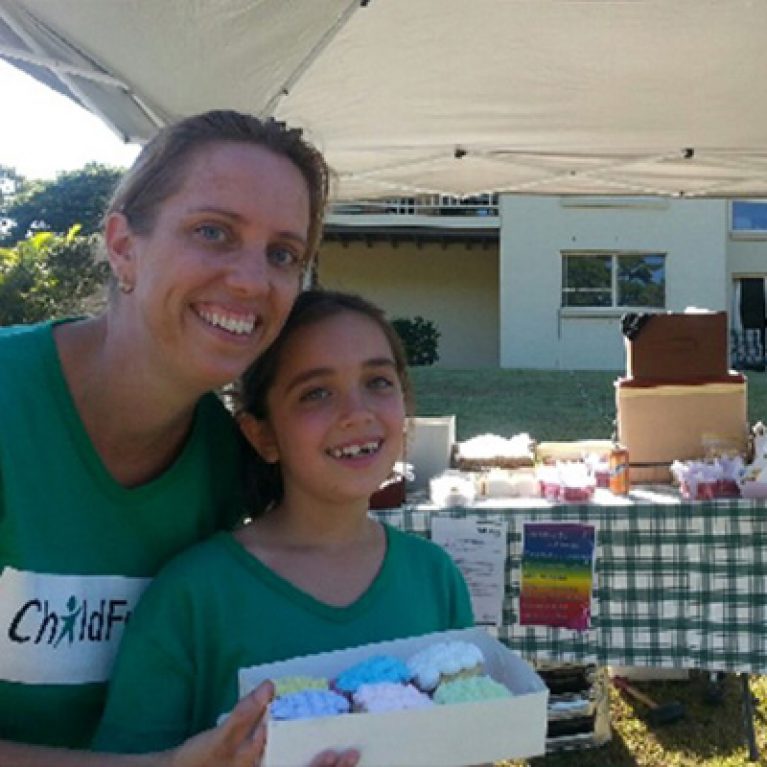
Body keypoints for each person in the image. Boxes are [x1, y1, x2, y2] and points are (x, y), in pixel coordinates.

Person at [0, 110, 357, 767]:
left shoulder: (228, 459)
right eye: (213, 231)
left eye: (283, 254)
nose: (252, 281)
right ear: (122, 246)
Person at [91, 289, 474, 752]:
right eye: (316, 393)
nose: (358, 413)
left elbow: (462, 741)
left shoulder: (435, 577)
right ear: (262, 434)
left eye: (378, 381)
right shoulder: (193, 597)